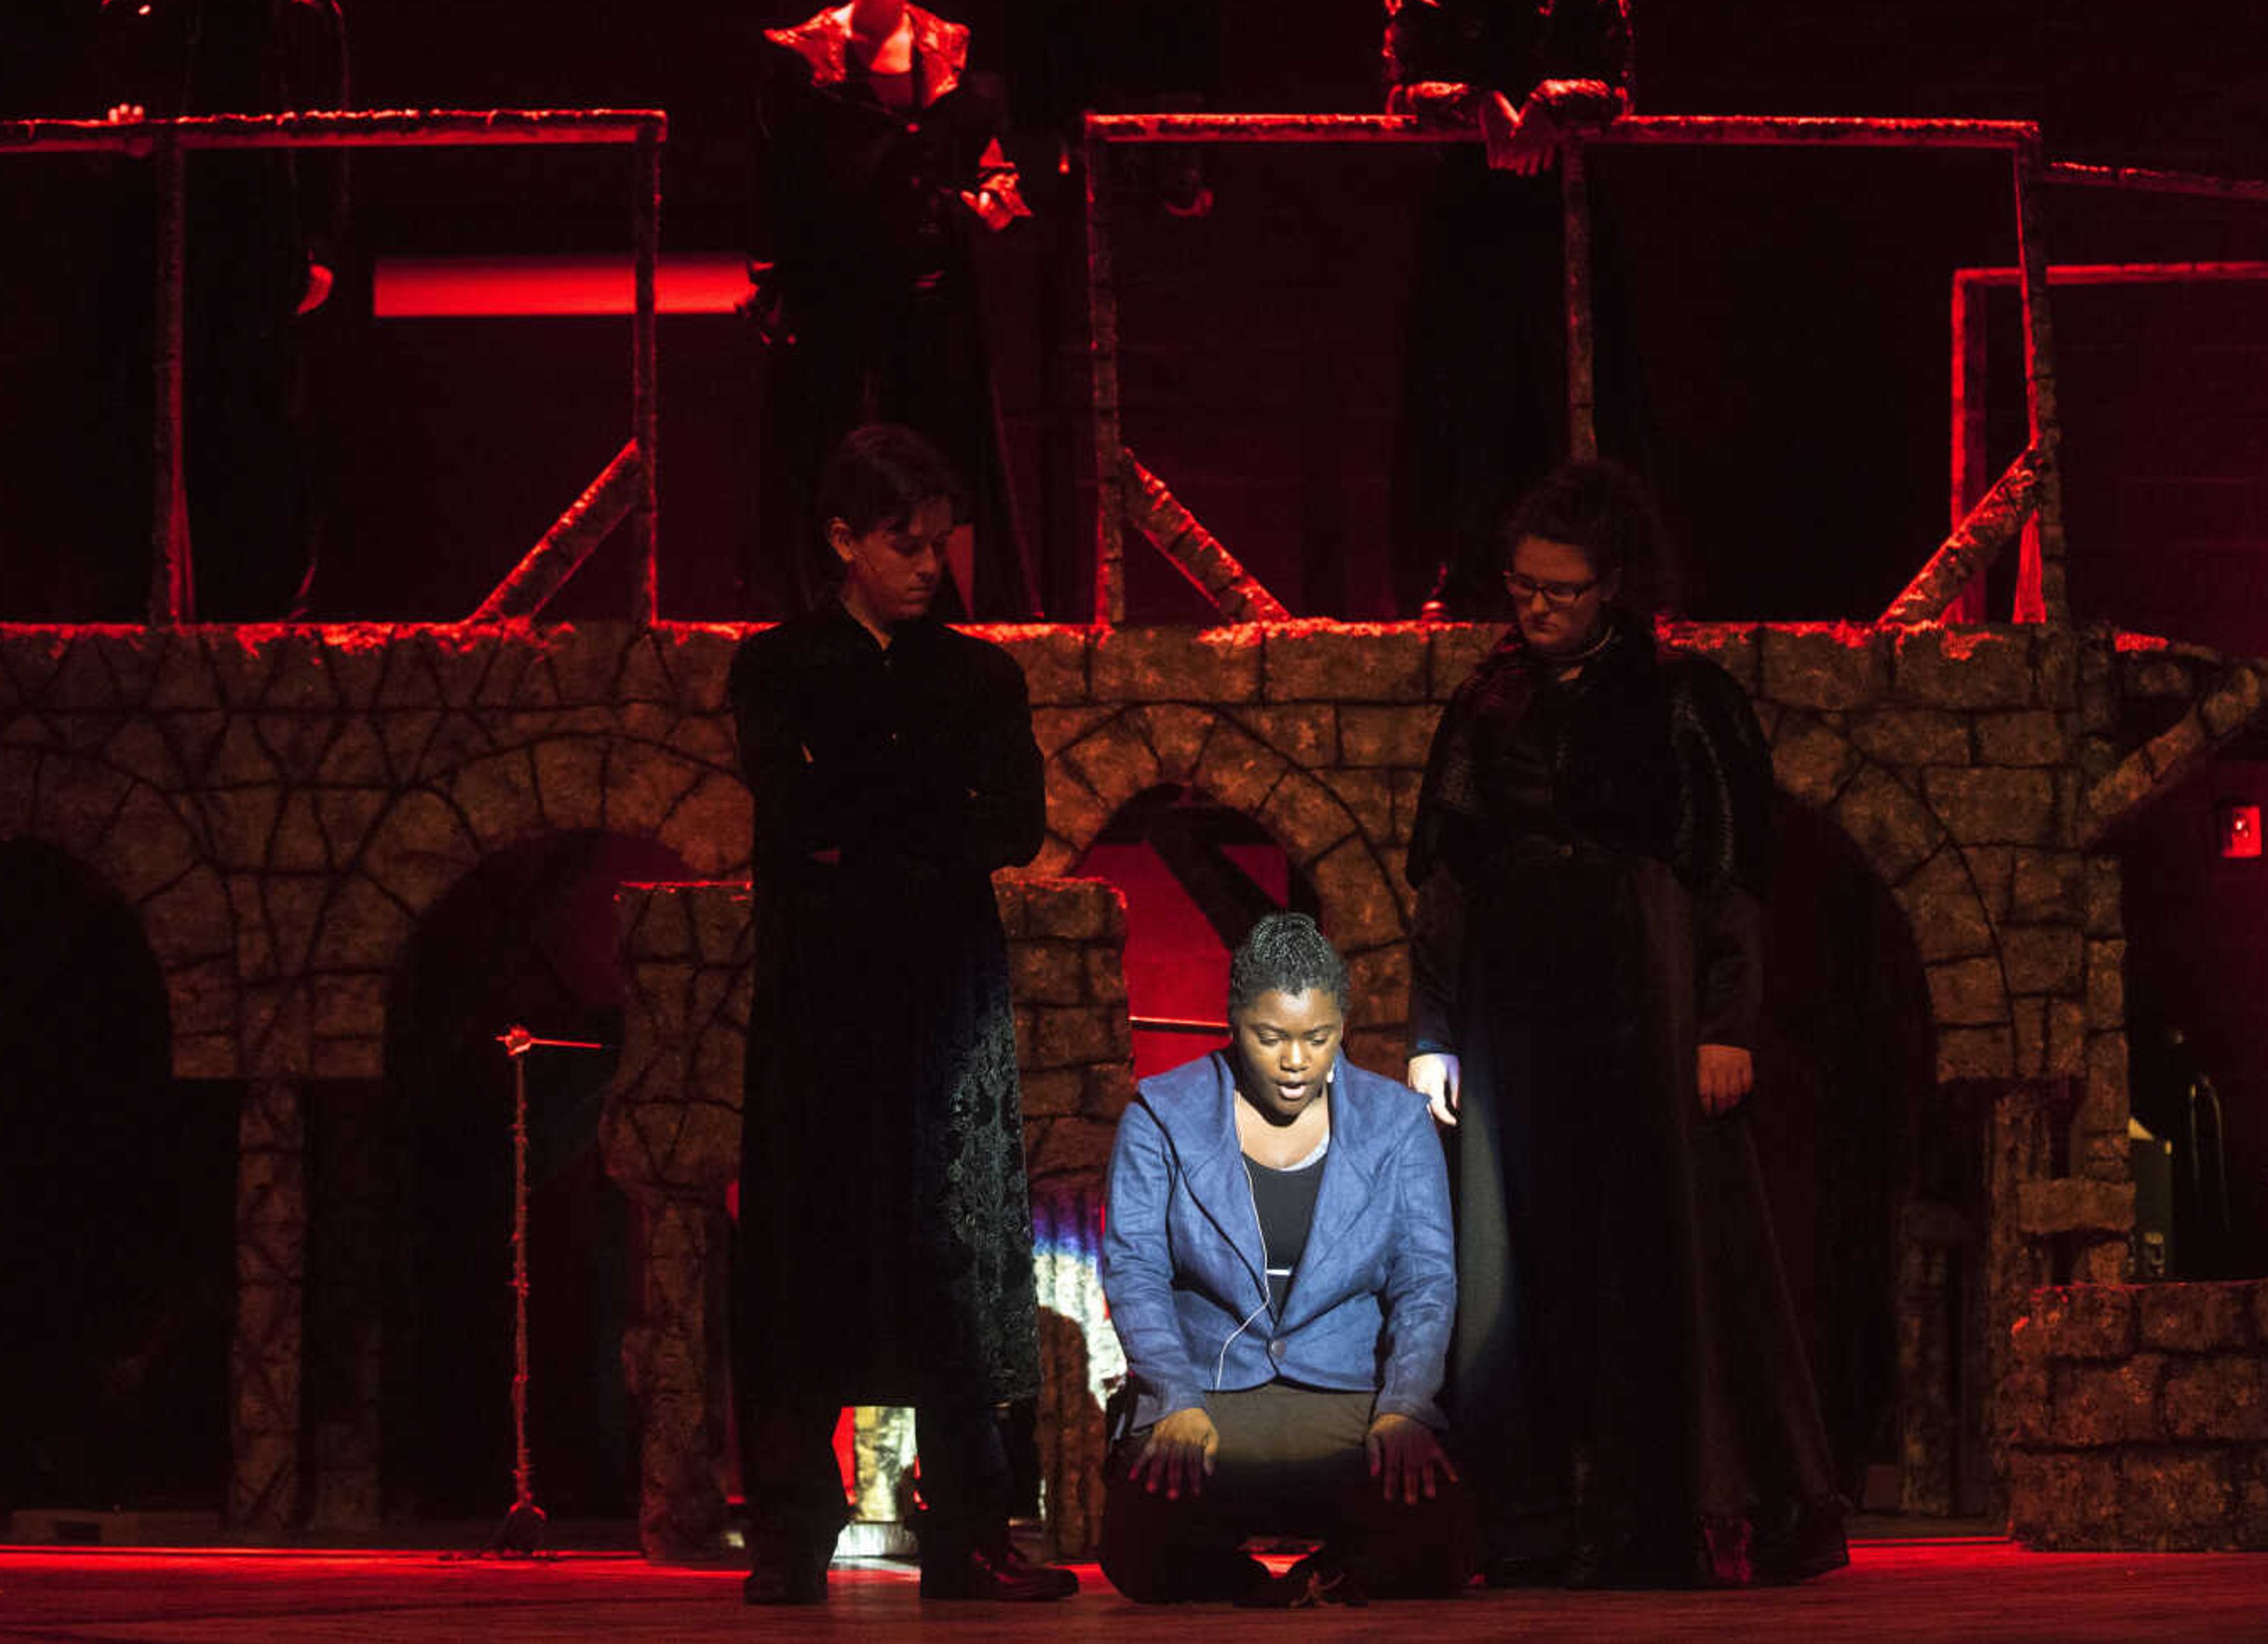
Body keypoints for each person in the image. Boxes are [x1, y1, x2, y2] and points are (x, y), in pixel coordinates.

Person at [1405, 461, 1849, 1586]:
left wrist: (1727, 1020)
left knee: (1659, 1256)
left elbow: (1728, 872)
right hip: (1518, 1009)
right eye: (1523, 586)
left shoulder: (1684, 698)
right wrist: (1431, 1032)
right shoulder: (1488, 699)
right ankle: (1531, 1519)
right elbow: (1448, 882)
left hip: (1643, 999)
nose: (1539, 608)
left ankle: (1669, 1514)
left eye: (1563, 588)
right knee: (1520, 1253)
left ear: (1612, 586)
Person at [722, 425, 1072, 1605]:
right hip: (824, 1003)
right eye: (903, 543)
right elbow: (797, 808)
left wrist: (867, 824)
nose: (929, 565)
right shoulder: (778, 669)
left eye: (939, 543)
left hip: (940, 995)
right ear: (842, 541)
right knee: (806, 1245)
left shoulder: (978, 674)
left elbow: (1011, 824)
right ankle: (791, 1528)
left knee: (958, 1251)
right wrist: (917, 817)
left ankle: (969, 1524)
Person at [1100, 913, 1470, 1606]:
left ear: (1343, 1028)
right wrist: (1171, 1396)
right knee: (1137, 1539)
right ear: (1234, 1022)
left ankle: (1333, 1574)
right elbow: (1135, 1267)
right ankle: (1243, 1585)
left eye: (1318, 1037)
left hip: (1351, 1398)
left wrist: (1407, 1405)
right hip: (1208, 1398)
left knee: (1443, 1530)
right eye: (1270, 1038)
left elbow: (1426, 1279)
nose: (1296, 1061)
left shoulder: (1396, 1122)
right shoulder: (1161, 1114)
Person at [748, 0, 1036, 620]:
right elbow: (777, 180)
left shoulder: (950, 50)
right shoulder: (803, 57)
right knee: (830, 444)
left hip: (929, 284)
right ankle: (824, 612)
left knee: (944, 443)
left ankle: (953, 620)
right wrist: (774, 278)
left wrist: (987, 202)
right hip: (834, 287)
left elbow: (987, 160)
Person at [1381, 0, 1634, 620]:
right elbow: (1400, 89)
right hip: (1467, 218)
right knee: (1464, 395)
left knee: (1577, 395)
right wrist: (1477, 105)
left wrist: (1552, 105)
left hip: (1566, 217)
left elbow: (1618, 85)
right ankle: (1468, 577)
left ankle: (1597, 579)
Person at [97, 0, 346, 619]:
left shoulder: (304, 12)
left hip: (263, 243)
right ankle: (161, 603)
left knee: (265, 423)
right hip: (168, 243)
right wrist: (128, 137)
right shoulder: (140, 6)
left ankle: (269, 607)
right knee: (165, 418)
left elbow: (332, 138)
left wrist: (321, 249)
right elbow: (110, 124)